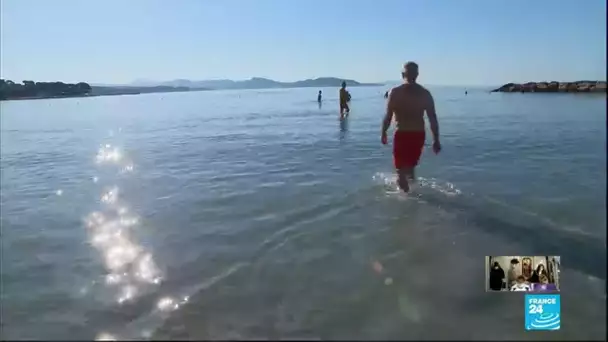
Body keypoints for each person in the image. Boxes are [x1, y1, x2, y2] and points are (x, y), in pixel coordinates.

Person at [381, 62, 441, 192]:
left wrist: (383, 132)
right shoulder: (425, 94)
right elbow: (432, 118)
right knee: (411, 169)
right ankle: (413, 196)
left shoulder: (395, 92)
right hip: (418, 134)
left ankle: (405, 203)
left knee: (400, 172)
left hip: (402, 134)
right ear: (417, 75)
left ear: (403, 74)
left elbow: (388, 116)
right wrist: (436, 139)